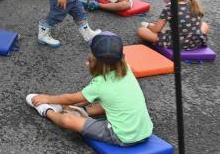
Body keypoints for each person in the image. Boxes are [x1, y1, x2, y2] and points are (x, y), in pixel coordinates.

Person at [26, 32, 154, 147]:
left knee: (67, 120)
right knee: (111, 100)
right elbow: (86, 98)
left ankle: (47, 111)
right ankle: (80, 110)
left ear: (93, 63)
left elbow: (71, 98)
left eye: (89, 58)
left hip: (122, 137)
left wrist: (47, 98)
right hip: (145, 132)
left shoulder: (100, 85)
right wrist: (71, 105)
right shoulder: (126, 68)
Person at [137, 0, 209, 50]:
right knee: (204, 24)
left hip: (177, 43)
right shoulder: (193, 3)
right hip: (195, 41)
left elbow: (156, 29)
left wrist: (148, 25)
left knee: (141, 31)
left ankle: (174, 41)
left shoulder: (170, 8)